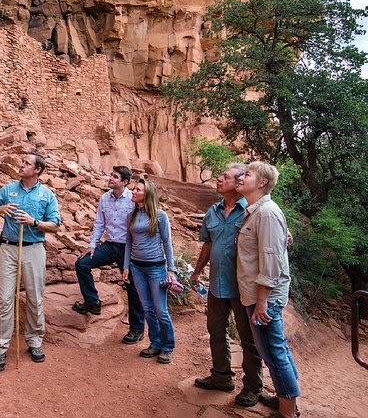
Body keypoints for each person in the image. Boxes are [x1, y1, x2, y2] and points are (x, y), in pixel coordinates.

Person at [190, 164, 264, 407]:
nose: (219, 179)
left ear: (238, 182)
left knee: (248, 338)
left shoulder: (252, 211)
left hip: (243, 288)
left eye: (225, 177)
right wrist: (198, 270)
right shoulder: (213, 211)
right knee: (216, 330)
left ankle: (253, 387)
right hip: (216, 284)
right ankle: (221, 376)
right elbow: (208, 244)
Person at [0, 152, 61, 372]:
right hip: (9, 247)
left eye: (26, 163)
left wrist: (33, 221)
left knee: (35, 298)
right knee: (4, 299)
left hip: (34, 249)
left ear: (37, 170)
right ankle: (0, 348)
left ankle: (35, 341)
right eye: (22, 162)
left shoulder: (47, 195)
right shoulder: (8, 190)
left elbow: (55, 225)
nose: (21, 165)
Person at [235, 161, 299, 418]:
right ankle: (287, 400)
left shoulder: (267, 213)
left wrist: (262, 300)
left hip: (265, 296)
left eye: (247, 174)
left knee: (273, 351)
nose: (241, 177)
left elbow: (270, 262)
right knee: (275, 348)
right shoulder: (256, 212)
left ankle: (287, 413)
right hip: (257, 293)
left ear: (261, 183)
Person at [73, 166, 145, 345]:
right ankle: (92, 302)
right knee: (81, 264)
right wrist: (92, 246)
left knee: (132, 287)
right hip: (109, 245)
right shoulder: (105, 198)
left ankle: (137, 329)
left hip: (128, 248)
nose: (110, 178)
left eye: (115, 177)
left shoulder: (132, 199)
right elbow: (99, 224)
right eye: (111, 175)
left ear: (125, 182)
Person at [122, 179, 177, 364]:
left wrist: (171, 269)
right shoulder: (131, 216)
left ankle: (168, 347)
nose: (133, 191)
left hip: (156, 266)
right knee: (147, 308)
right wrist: (126, 266)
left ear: (147, 194)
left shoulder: (160, 216)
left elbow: (167, 242)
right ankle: (155, 343)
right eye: (134, 188)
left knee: (160, 309)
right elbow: (129, 243)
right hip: (136, 266)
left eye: (137, 189)